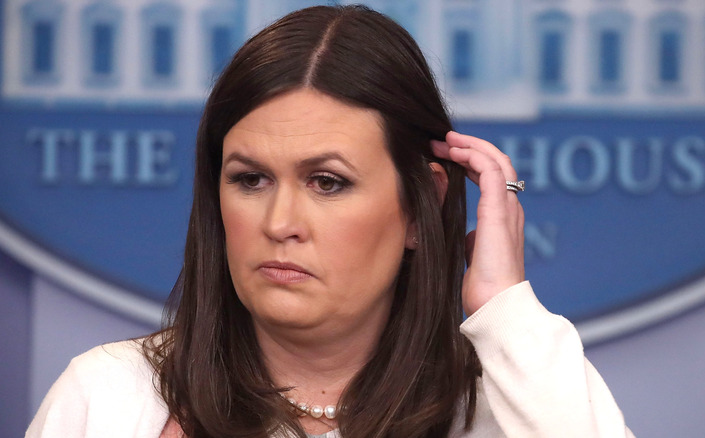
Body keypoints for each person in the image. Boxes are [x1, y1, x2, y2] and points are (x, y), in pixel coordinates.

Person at [27, 5, 634, 438]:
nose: (280, 221)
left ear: (421, 206)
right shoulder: (107, 395)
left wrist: (505, 307)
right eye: (250, 179)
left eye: (328, 182)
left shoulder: (509, 406)